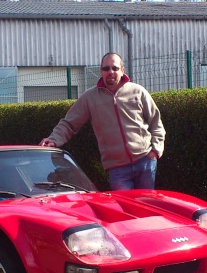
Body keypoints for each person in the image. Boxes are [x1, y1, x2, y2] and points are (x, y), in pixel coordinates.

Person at [39, 52, 165, 190]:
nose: (110, 72)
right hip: (117, 169)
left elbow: (156, 123)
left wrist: (155, 151)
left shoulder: (138, 92)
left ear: (122, 70)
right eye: (106, 68)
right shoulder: (90, 97)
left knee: (146, 206)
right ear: (101, 71)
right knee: (123, 209)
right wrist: (53, 140)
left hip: (145, 162)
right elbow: (69, 123)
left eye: (115, 68)